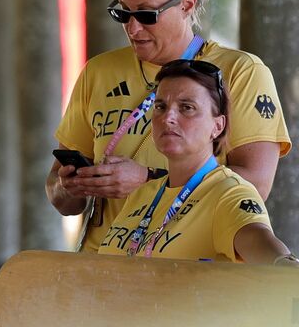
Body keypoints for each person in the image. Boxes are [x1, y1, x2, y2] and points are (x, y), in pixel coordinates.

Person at [45, 0, 291, 252]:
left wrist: (147, 180)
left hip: (185, 274)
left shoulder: (240, 73)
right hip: (101, 273)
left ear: (187, 4)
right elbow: (57, 194)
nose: (133, 28)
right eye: (123, 13)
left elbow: (255, 185)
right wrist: (71, 186)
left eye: (147, 15)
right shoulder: (98, 72)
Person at [97, 59, 298, 267]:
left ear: (217, 126)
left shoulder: (228, 192)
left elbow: (260, 242)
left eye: (187, 107)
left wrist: (287, 266)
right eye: (160, 106)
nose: (168, 118)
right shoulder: (141, 194)